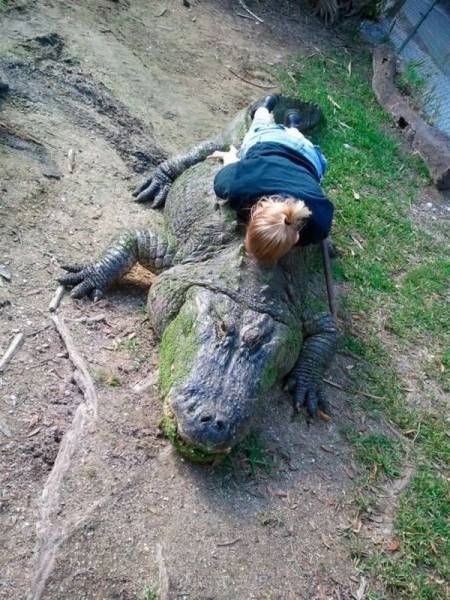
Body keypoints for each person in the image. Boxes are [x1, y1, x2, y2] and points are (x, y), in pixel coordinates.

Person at [209, 96, 334, 264]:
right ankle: (269, 110)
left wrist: (229, 158)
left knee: (282, 134)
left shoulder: (320, 223)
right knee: (260, 125)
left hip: (308, 156)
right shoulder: (238, 187)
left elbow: (326, 206)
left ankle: (286, 121)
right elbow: (228, 172)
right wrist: (231, 157)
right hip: (277, 143)